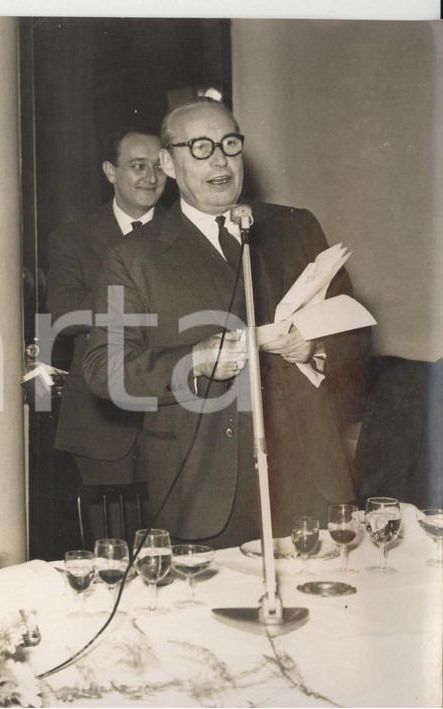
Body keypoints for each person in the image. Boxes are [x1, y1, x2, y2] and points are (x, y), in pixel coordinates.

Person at [84, 97, 369, 546]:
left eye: (229, 144)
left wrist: (315, 348)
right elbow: (103, 369)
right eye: (199, 147)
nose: (219, 159)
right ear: (168, 164)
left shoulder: (296, 227)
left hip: (309, 477)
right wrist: (191, 361)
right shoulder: (132, 257)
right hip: (205, 492)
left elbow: (356, 333)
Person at [47, 127, 166, 489]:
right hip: (100, 423)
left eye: (159, 166)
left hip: (171, 418)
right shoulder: (73, 238)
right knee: (111, 541)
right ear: (110, 172)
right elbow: (63, 313)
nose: (151, 177)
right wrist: (132, 300)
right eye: (138, 165)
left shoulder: (184, 234)